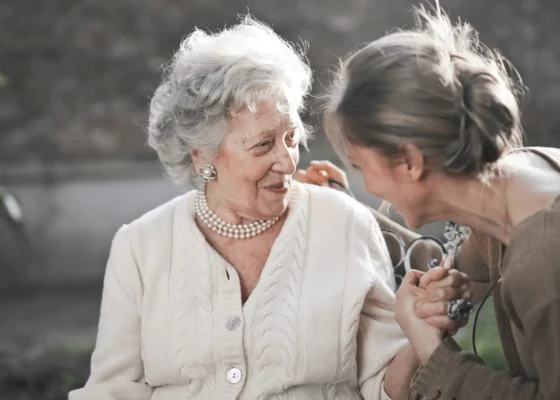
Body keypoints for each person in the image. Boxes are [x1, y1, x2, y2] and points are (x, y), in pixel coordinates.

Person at [69, 16, 470, 400]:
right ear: (201, 155)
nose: (287, 160)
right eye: (263, 145)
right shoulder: (140, 246)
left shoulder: (344, 224)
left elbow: (384, 386)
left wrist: (419, 330)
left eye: (292, 137)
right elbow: (112, 390)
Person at [302, 4, 560, 399]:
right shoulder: (522, 176)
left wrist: (432, 349)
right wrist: (346, 208)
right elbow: (463, 270)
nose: (367, 183)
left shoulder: (543, 258)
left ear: (410, 161)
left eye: (359, 165)